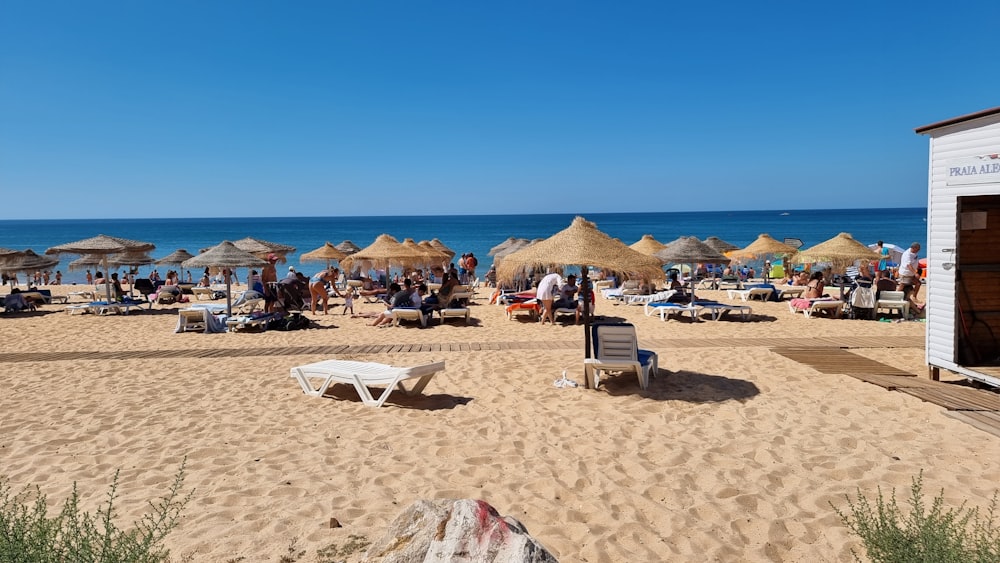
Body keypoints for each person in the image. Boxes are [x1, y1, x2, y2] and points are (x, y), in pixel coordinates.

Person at [897, 242, 925, 313]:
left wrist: (918, 267)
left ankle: (914, 297)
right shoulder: (907, 254)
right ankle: (896, 297)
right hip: (905, 273)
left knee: (918, 283)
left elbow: (915, 262)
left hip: (911, 274)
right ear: (914, 248)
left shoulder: (914, 253)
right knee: (902, 285)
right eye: (918, 249)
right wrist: (915, 273)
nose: (918, 250)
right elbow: (908, 265)